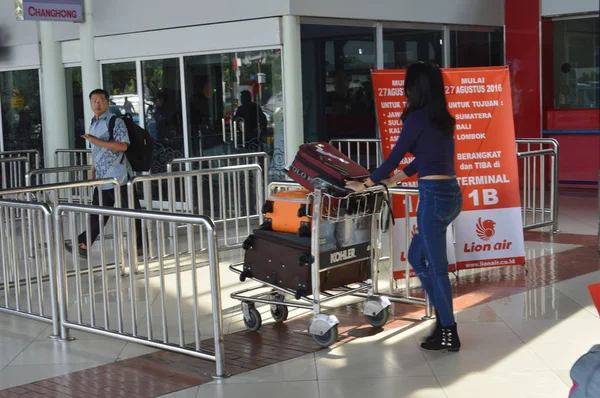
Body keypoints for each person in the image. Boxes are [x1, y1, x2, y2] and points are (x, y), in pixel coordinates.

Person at [346, 61, 463, 352]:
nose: (405, 89)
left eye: (408, 84)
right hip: (450, 195)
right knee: (417, 257)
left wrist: (367, 183)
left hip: (433, 197)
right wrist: (392, 180)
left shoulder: (417, 118)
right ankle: (442, 320)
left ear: (416, 87)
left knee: (435, 268)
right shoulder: (441, 118)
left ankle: (449, 330)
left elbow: (395, 155)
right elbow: (423, 159)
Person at [65, 88, 144, 258]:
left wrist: (95, 140)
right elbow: (96, 151)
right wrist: (92, 171)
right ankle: (84, 243)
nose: (97, 104)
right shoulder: (93, 123)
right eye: (94, 101)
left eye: (101, 100)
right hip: (102, 177)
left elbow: (123, 146)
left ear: (107, 102)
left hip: (120, 176)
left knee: (132, 212)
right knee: (98, 211)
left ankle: (139, 245)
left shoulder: (116, 122)